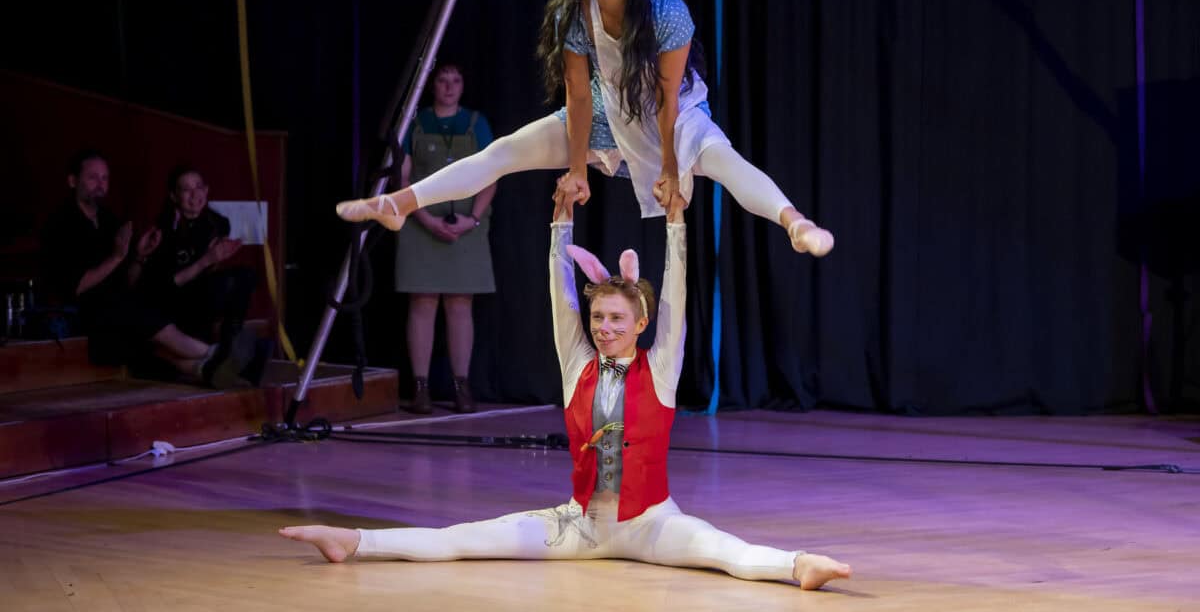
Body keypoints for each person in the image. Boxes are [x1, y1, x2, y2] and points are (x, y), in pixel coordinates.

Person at [278, 181, 851, 590]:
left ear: (640, 325)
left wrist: (675, 223)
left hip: (653, 524)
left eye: (617, 321)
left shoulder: (662, 369)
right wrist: (561, 221)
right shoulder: (578, 363)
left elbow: (675, 295)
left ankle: (799, 565)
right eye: (598, 319)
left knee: (729, 554)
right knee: (464, 539)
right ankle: (352, 540)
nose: (603, 329)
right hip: (577, 524)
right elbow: (561, 296)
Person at [335, 0, 834, 257]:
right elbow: (576, 93)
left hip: (670, 114)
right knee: (504, 152)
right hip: (599, 114)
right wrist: (577, 169)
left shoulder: (666, 12)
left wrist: (670, 168)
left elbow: (664, 95)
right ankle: (398, 205)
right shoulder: (570, 12)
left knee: (722, 160)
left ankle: (793, 222)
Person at [39, 149, 264, 387]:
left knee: (142, 310)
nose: (100, 184)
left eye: (105, 178)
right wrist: (117, 257)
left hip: (124, 304)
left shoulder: (110, 221)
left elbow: (131, 281)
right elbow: (76, 286)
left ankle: (209, 368)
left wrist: (139, 256)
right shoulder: (60, 224)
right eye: (92, 177)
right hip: (87, 310)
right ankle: (220, 354)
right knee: (136, 311)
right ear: (73, 181)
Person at [393, 64, 496, 414]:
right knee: (422, 302)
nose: (449, 87)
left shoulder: (476, 123)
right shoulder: (416, 122)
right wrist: (423, 218)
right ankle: (420, 388)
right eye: (442, 80)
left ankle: (460, 386)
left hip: (466, 224)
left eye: (456, 80)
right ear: (431, 84)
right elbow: (403, 178)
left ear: (463, 85)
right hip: (422, 222)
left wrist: (472, 219)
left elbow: (490, 176)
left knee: (459, 304)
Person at [142, 165, 257, 348]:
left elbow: (212, 271)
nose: (195, 195)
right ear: (174, 196)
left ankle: (231, 341)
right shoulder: (162, 230)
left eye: (198, 187)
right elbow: (168, 285)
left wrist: (218, 257)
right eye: (186, 190)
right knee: (220, 286)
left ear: (206, 190)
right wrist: (207, 259)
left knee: (246, 275)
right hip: (172, 298)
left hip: (203, 289)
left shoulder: (218, 223)